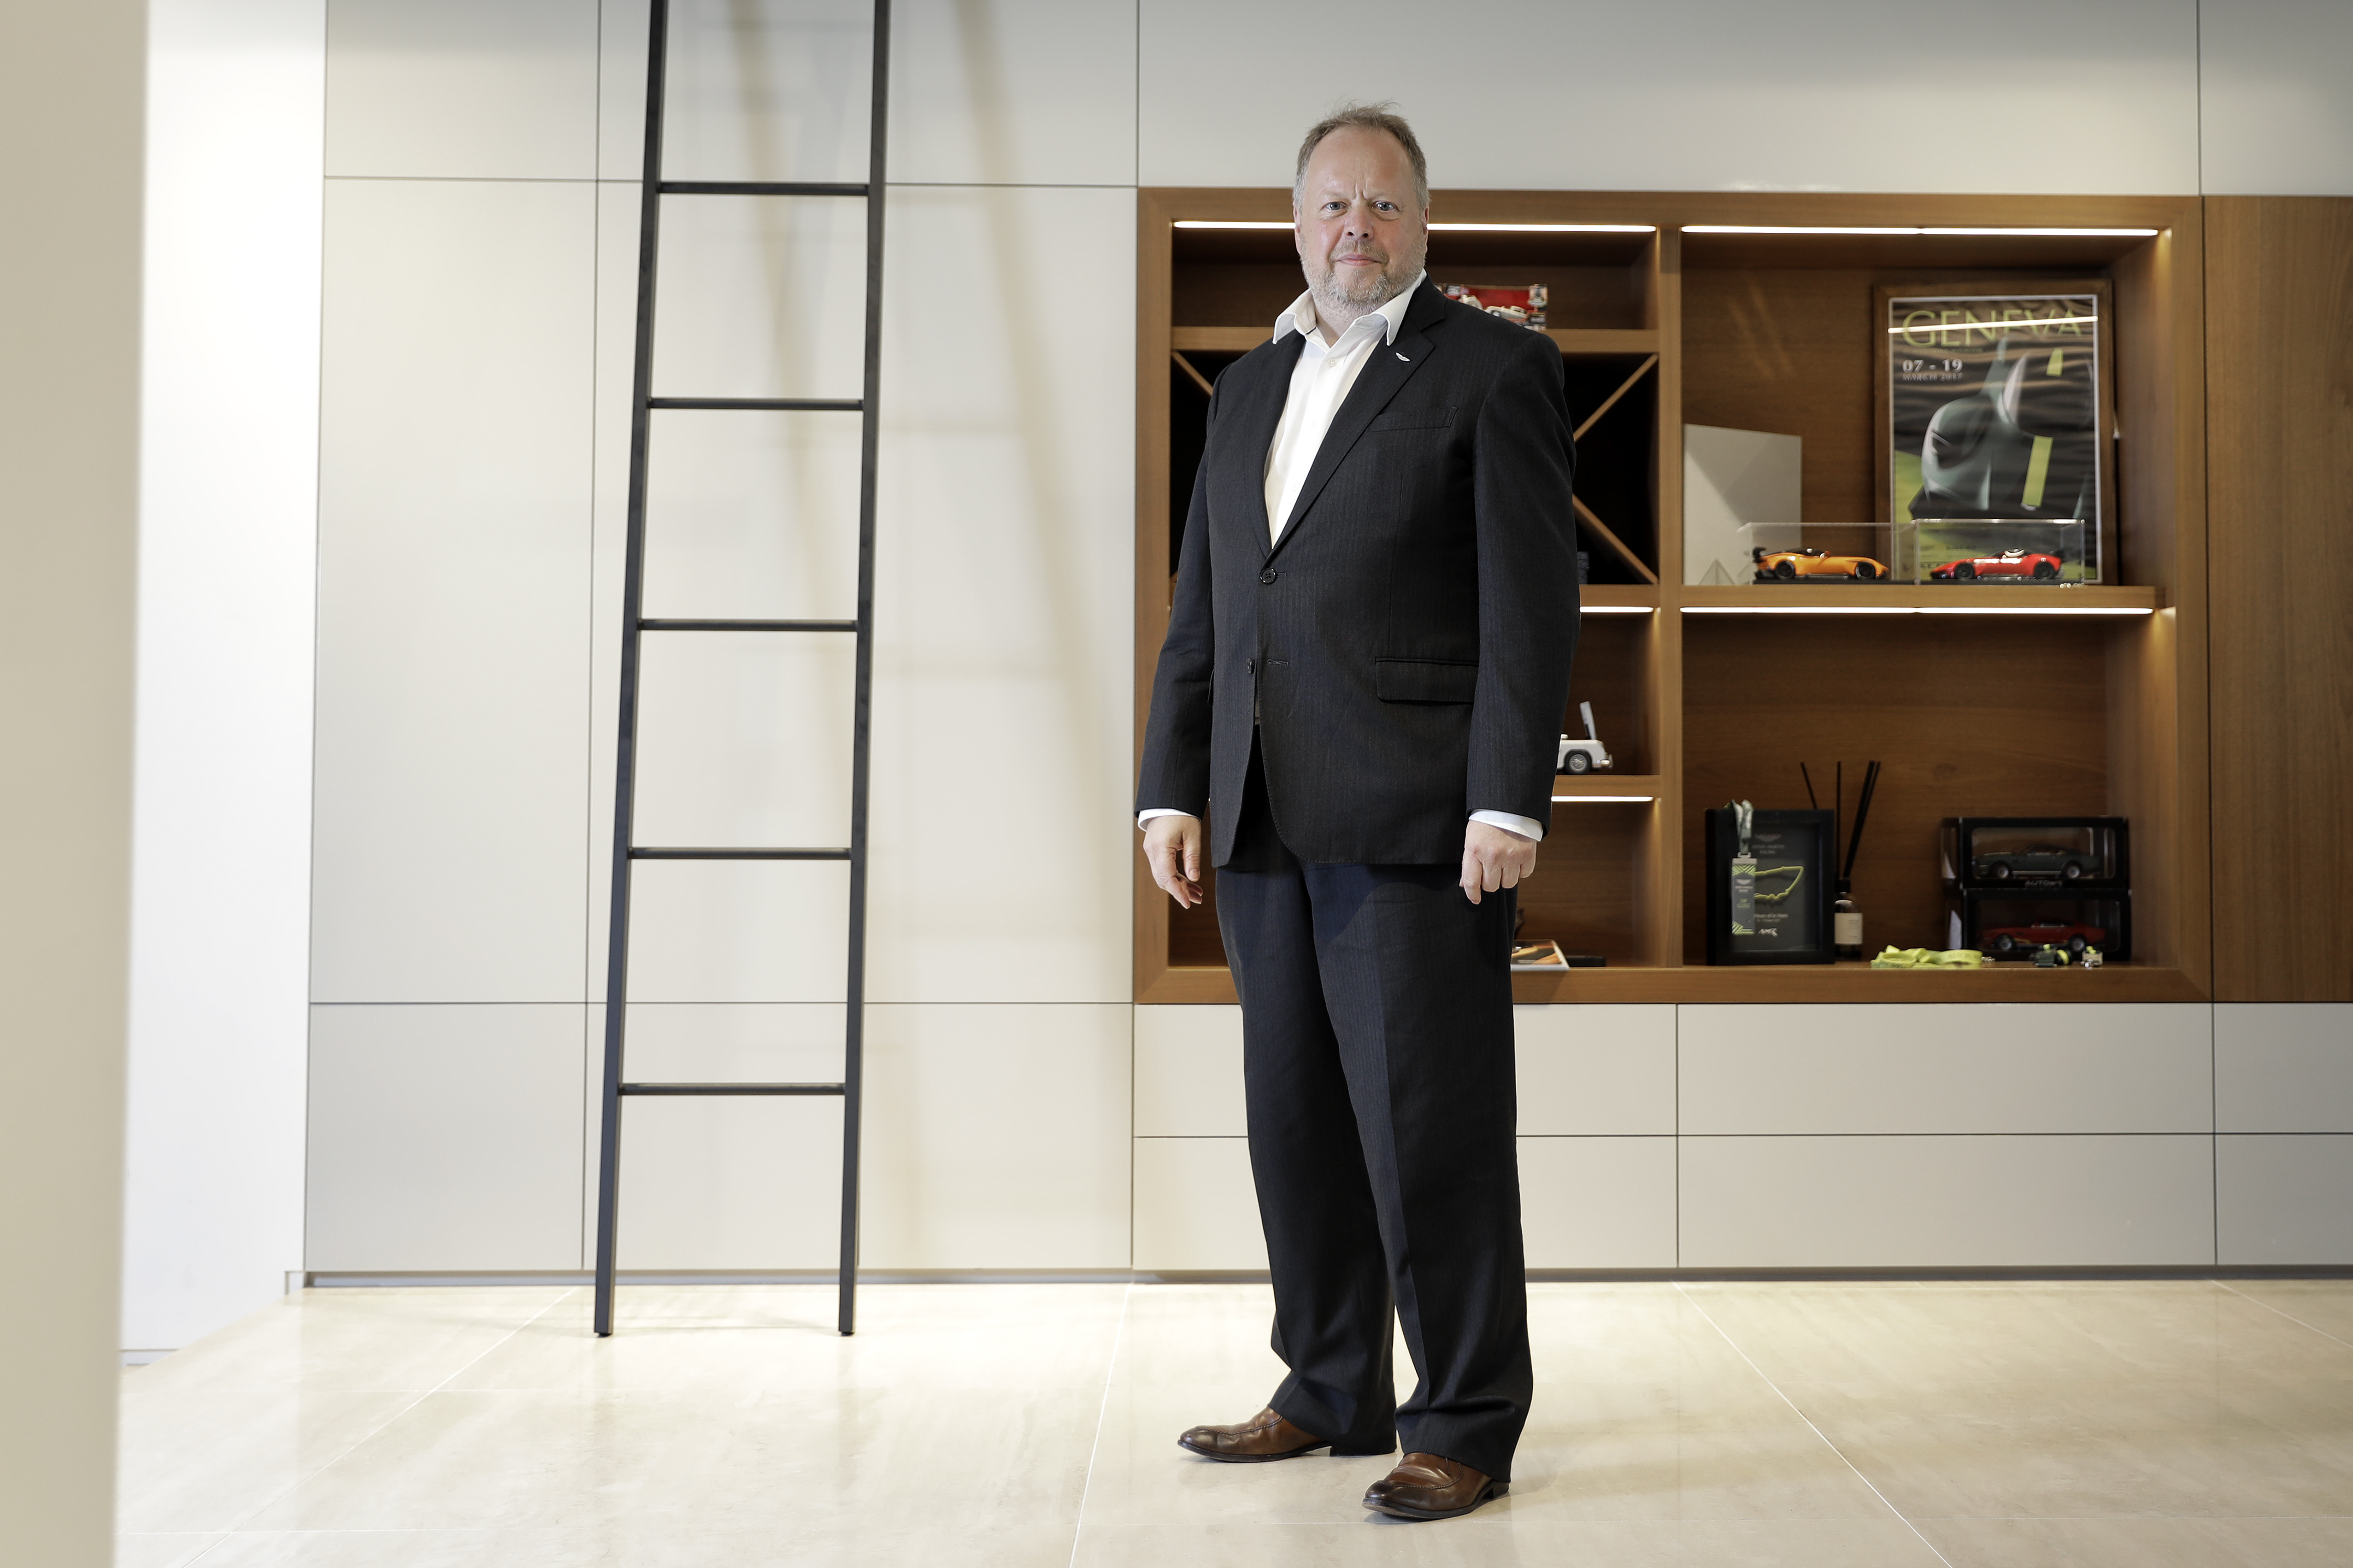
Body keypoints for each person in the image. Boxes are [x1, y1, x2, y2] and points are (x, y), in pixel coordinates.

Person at [1134, 103, 1580, 1521]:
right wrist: (1170, 783)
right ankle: (1328, 1384)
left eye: (1383, 208)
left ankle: (1464, 1418)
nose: (1355, 231)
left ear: (1425, 225)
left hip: (1415, 818)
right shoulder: (1247, 389)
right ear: (1296, 221)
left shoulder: (1496, 371)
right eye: (1333, 206)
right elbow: (1207, 609)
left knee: (1430, 1129)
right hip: (1259, 815)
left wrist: (1510, 792)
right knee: (1299, 1122)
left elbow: (1533, 604)